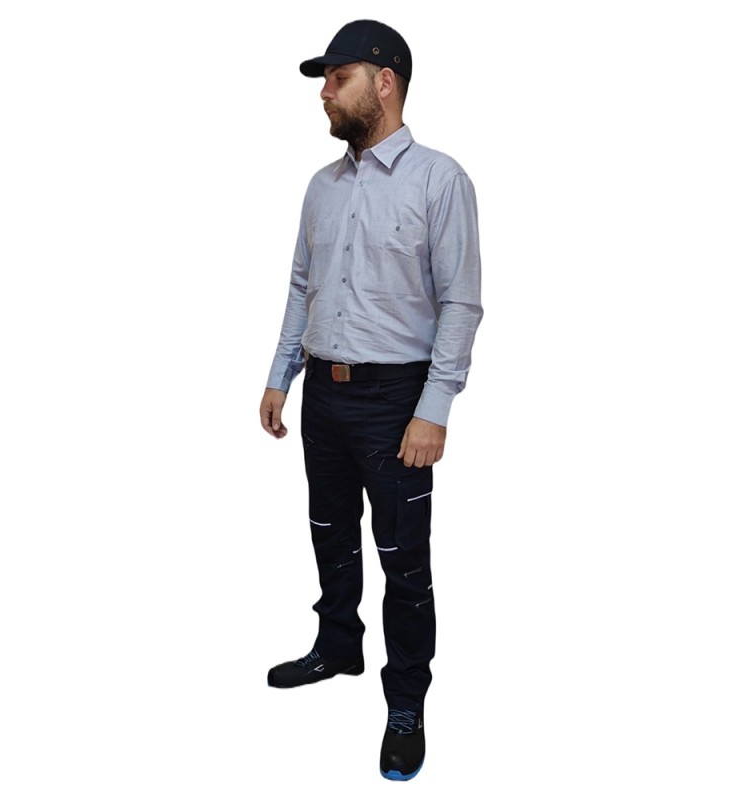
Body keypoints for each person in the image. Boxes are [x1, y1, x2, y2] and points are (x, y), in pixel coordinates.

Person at [259, 19, 483, 781]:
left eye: (338, 78)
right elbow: (302, 285)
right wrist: (282, 374)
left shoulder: (439, 180)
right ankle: (337, 646)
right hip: (324, 395)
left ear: (384, 83)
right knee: (330, 533)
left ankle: (406, 702)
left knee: (403, 560)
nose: (324, 93)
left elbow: (460, 303)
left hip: (396, 401)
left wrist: (434, 408)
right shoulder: (321, 187)